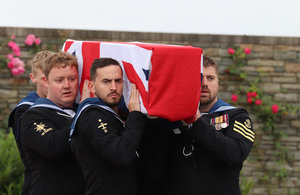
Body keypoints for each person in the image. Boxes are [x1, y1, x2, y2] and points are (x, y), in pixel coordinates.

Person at [162, 55, 254, 195]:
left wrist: (197, 122)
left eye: (210, 78)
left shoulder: (236, 116)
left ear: (218, 82)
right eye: (199, 78)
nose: (204, 83)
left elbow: (235, 154)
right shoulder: (173, 119)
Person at [71, 58, 147, 195]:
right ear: (91, 87)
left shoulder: (113, 115)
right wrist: (135, 114)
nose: (113, 87)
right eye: (106, 81)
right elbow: (120, 154)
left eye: (118, 81)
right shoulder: (91, 115)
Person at [20, 51, 84, 195]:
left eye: (72, 79)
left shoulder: (79, 112)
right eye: (59, 80)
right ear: (46, 81)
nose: (67, 85)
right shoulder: (32, 116)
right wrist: (84, 116)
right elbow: (53, 147)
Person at [8, 50, 53, 195]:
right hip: (38, 186)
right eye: (45, 78)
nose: (51, 84)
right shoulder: (25, 110)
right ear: (33, 78)